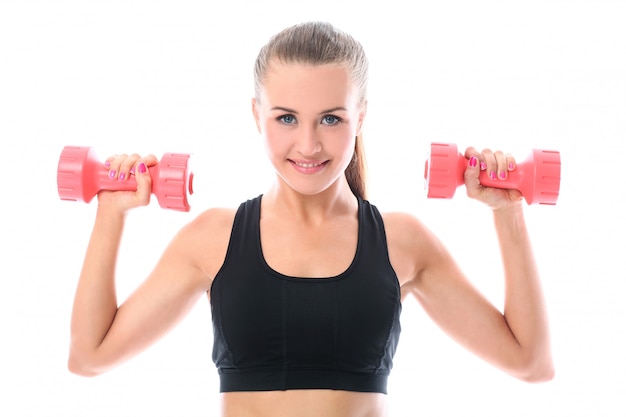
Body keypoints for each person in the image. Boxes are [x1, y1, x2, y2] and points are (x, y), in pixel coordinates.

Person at [67, 21, 554, 417]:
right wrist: (111, 213)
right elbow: (90, 357)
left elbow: (530, 363)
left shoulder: (402, 242)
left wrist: (507, 211)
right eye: (285, 118)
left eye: (330, 118)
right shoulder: (212, 240)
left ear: (360, 116)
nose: (307, 145)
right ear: (255, 115)